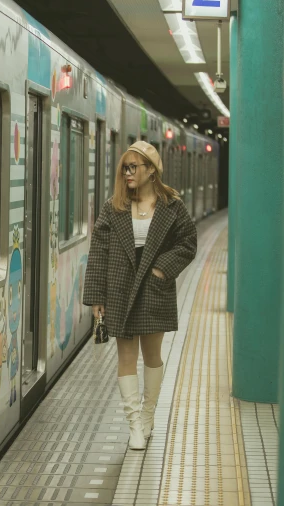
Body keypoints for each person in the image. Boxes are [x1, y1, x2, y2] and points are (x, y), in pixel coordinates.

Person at [84, 141, 197, 450]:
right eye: (125, 167)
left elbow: (188, 242)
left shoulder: (171, 205)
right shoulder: (114, 206)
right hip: (120, 288)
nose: (128, 173)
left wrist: (162, 269)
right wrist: (97, 297)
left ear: (151, 170)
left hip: (154, 289)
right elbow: (99, 251)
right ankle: (134, 423)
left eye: (134, 167)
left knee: (152, 356)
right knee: (125, 357)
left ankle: (148, 416)